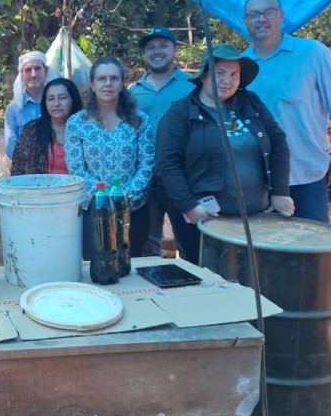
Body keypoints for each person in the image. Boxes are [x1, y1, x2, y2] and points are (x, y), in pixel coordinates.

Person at [156, 43, 293, 265]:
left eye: (233, 74)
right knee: (209, 281)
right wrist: (189, 206)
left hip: (256, 215)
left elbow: (278, 143)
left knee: (255, 277)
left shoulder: (250, 102)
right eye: (219, 73)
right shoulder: (180, 112)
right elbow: (167, 163)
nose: (226, 80)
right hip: (207, 220)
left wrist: (280, 190)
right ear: (203, 76)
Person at [241, 0, 331, 223]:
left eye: (268, 12)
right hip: (257, 183)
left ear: (280, 15)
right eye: (254, 14)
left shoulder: (312, 53)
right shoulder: (240, 66)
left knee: (310, 254)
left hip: (305, 179)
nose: (261, 19)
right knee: (260, 255)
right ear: (245, 20)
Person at [66, 56, 154, 256]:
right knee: (98, 268)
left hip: (133, 209)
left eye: (114, 78)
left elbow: (147, 163)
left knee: (128, 269)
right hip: (94, 211)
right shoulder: (77, 123)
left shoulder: (139, 120)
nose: (108, 84)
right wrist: (105, 197)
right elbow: (76, 168)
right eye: (101, 79)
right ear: (92, 85)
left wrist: (124, 197)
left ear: (122, 84)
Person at [129, 26, 195, 257]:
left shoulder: (192, 86)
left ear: (175, 49)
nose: (157, 52)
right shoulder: (133, 92)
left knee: (189, 241)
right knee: (147, 245)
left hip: (182, 177)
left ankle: (191, 289)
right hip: (145, 179)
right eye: (151, 47)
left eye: (163, 46)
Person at [11, 78, 82, 175]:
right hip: (41, 188)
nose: (56, 104)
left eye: (62, 98)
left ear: (73, 100)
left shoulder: (86, 129)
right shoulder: (33, 130)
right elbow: (20, 171)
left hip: (79, 188)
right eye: (51, 99)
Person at [3, 51, 58, 158]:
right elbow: (10, 146)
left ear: (45, 71)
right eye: (28, 70)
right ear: (22, 75)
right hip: (25, 168)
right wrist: (30, 163)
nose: (33, 75)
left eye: (37, 69)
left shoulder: (57, 104)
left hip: (55, 167)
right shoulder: (13, 109)